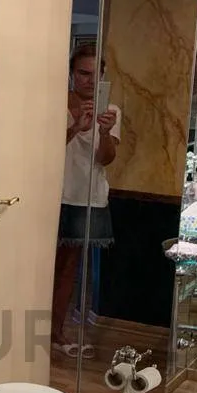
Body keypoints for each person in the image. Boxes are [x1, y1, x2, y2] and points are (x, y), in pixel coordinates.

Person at [51, 43, 120, 356]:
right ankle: (38, 330)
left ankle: (55, 332)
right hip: (51, 195)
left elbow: (106, 159)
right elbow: (43, 149)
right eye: (83, 73)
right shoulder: (54, 103)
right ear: (71, 73)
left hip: (85, 196)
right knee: (41, 266)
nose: (90, 80)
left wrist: (103, 132)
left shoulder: (111, 112)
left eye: (96, 74)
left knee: (68, 269)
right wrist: (74, 127)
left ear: (103, 75)